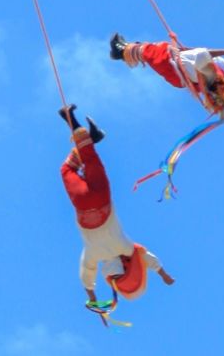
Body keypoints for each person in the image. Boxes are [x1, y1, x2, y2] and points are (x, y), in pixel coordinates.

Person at [58, 104, 174, 305]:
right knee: (67, 170)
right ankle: (70, 120)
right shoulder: (93, 255)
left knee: (89, 157)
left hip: (102, 197)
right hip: (83, 205)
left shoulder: (127, 248)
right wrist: (92, 299)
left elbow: (147, 258)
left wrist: (163, 273)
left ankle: (85, 133)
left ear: (125, 264)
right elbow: (87, 279)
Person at [109, 34, 224, 114]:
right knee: (155, 50)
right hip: (180, 67)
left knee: (150, 51)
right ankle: (124, 50)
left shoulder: (207, 71)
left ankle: (122, 50)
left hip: (173, 66)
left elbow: (201, 54)